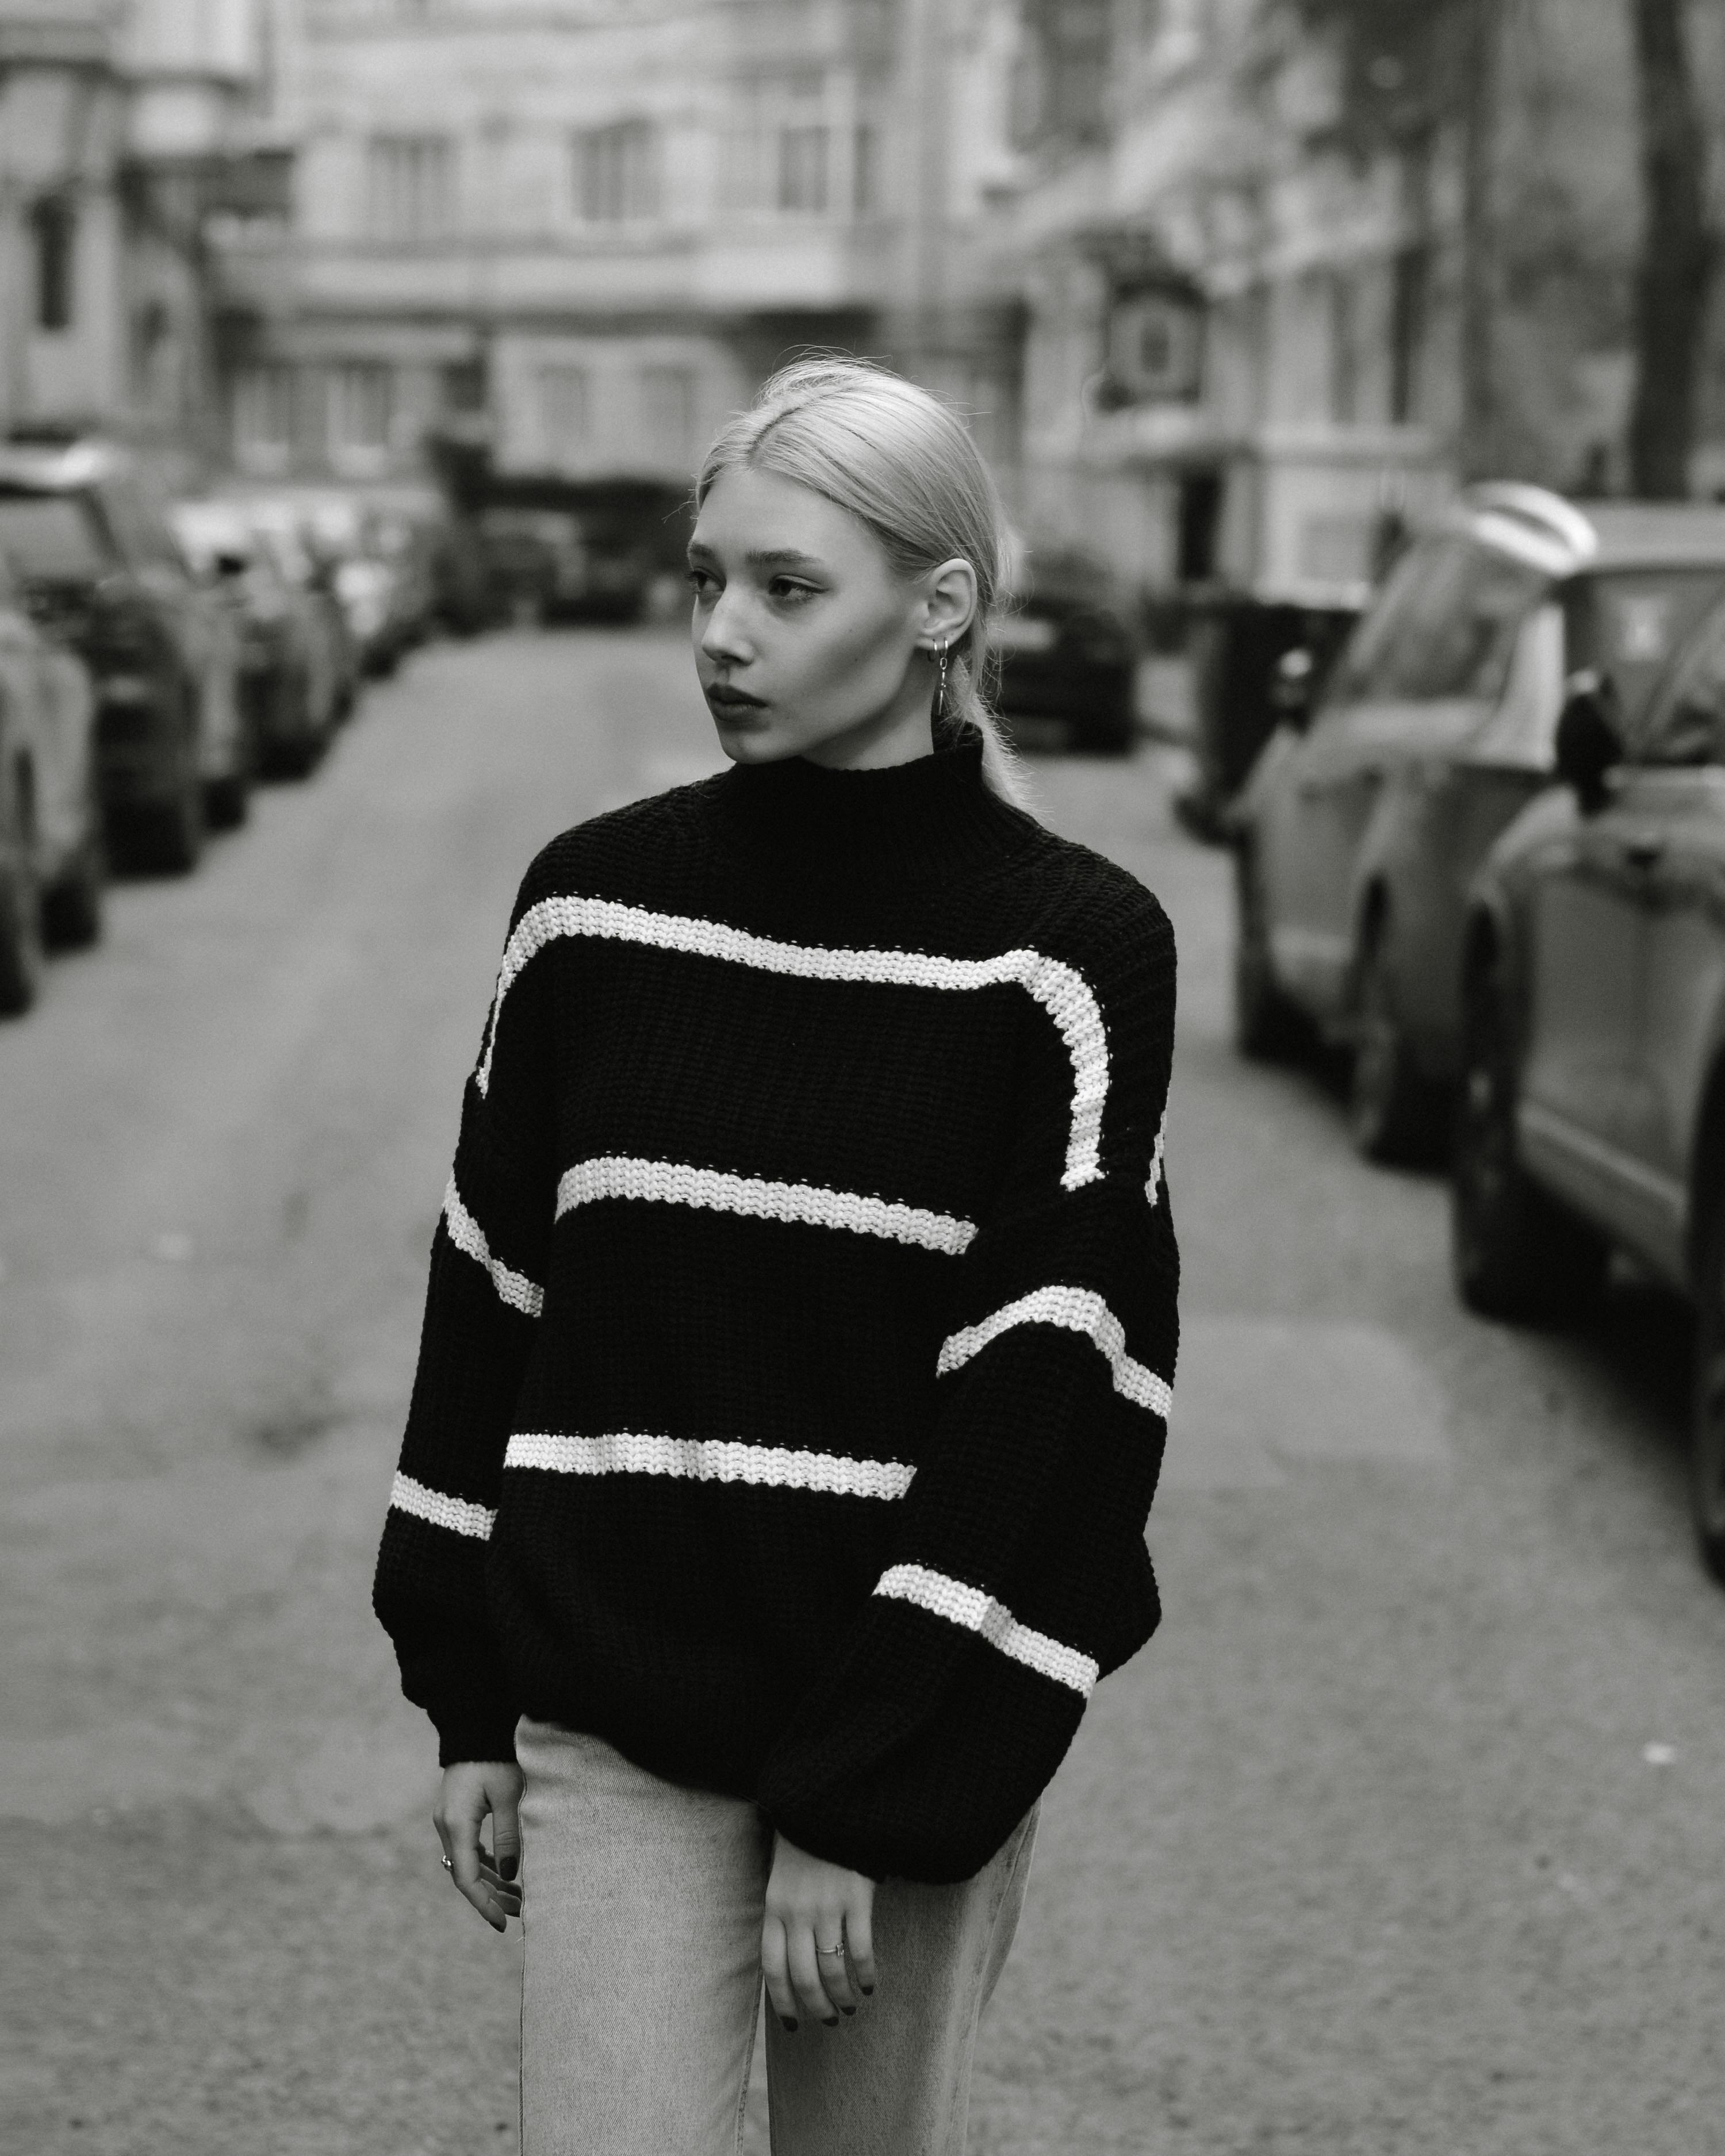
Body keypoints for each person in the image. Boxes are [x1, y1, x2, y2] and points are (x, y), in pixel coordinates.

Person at [373, 356, 1179, 2155]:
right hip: (612, 1726)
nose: (724, 635)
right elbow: (490, 1297)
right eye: (708, 580)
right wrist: (466, 1701)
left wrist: (861, 1794)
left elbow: (1048, 1408)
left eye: (789, 589)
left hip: (904, 1739)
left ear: (939, 609)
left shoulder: (1065, 962)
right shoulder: (589, 908)